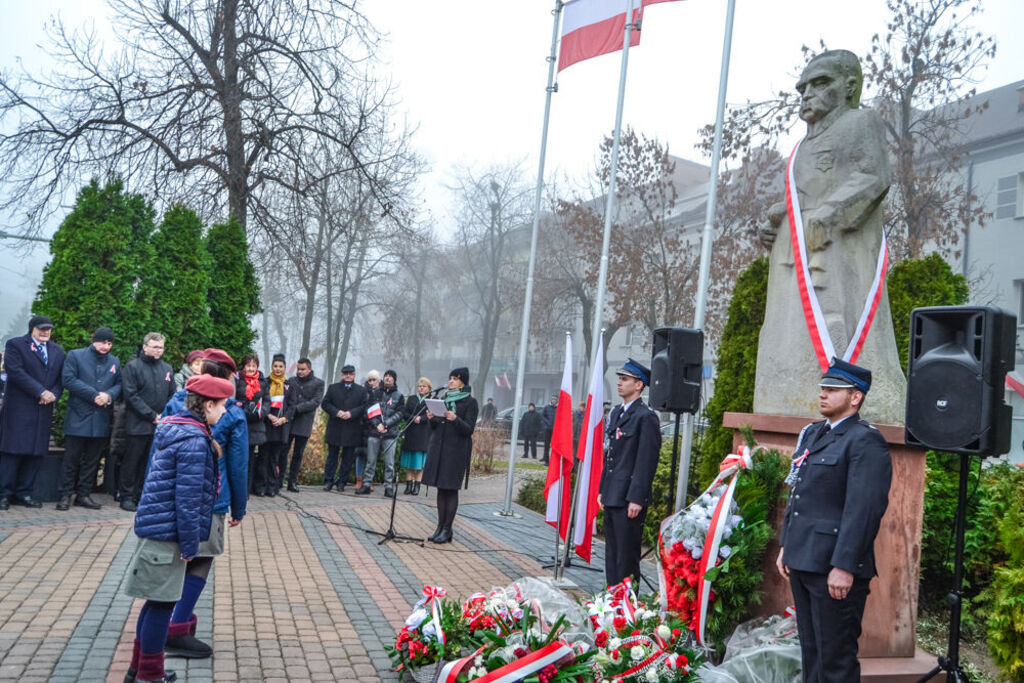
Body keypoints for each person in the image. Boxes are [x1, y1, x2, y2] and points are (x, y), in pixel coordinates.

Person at [756, 49, 905, 425]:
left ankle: (851, 397)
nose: (807, 93)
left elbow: (873, 177)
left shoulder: (860, 122)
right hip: (798, 250)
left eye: (820, 83)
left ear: (850, 86)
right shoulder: (802, 145)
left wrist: (831, 212)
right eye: (803, 87)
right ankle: (788, 392)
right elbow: (806, 193)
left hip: (836, 249)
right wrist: (778, 218)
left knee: (834, 319)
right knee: (790, 324)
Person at [775, 358, 891, 682]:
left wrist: (844, 566)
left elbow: (864, 509)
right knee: (812, 654)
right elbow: (799, 493)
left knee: (835, 662)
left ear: (856, 397)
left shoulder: (865, 440)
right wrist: (787, 544)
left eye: (833, 389)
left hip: (832, 568)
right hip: (804, 559)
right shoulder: (814, 433)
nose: (823, 393)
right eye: (823, 387)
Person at [120, 373, 234, 683]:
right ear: (208, 405)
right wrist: (189, 546)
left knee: (155, 603)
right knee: (161, 606)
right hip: (169, 535)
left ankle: (139, 670)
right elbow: (187, 499)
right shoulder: (195, 441)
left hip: (158, 530)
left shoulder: (178, 428)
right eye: (222, 405)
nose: (225, 412)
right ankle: (150, 676)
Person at [159, 349, 248, 661]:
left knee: (174, 558)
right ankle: (177, 626)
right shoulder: (232, 411)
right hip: (212, 497)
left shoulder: (179, 399)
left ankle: (163, 623)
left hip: (172, 494)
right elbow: (237, 465)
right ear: (226, 376)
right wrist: (239, 507)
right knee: (202, 557)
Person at [597, 358, 661, 587]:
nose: (619, 383)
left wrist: (636, 498)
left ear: (639, 385)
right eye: (619, 379)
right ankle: (612, 602)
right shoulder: (616, 413)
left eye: (625, 379)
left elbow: (646, 462)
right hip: (613, 494)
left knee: (626, 558)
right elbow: (610, 455)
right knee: (612, 555)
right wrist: (602, 489)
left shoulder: (646, 418)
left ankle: (628, 607)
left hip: (628, 499)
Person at [0, 315, 65, 510]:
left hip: (43, 409)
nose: (45, 332)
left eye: (48, 329)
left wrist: (53, 394)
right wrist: (40, 391)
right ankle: (4, 494)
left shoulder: (57, 350)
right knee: (12, 452)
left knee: (35, 452)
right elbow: (15, 371)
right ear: (32, 329)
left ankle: (24, 493)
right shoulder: (16, 345)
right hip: (19, 409)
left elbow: (61, 378)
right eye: (41, 328)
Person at [57, 326, 121, 511]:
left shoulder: (114, 361)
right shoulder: (76, 355)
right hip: (79, 415)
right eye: (102, 342)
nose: (106, 346)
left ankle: (83, 495)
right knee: (71, 459)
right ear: (94, 340)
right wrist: (93, 395)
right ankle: (65, 495)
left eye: (109, 343)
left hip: (100, 418)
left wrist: (108, 396)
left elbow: (119, 384)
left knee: (92, 461)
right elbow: (68, 379)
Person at [119, 332, 175, 512]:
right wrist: (151, 415)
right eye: (155, 347)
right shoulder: (133, 367)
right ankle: (126, 496)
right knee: (132, 462)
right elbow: (131, 395)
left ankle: (142, 495)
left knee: (149, 463)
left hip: (159, 426)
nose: (159, 350)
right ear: (145, 347)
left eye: (161, 347)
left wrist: (164, 415)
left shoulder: (167, 368)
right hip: (137, 424)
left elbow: (172, 394)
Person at [422, 367, 478, 544]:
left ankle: (447, 529)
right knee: (441, 489)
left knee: (450, 489)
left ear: (463, 381)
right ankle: (440, 527)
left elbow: (468, 429)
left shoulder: (470, 402)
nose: (451, 381)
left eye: (455, 378)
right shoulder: (444, 398)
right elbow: (436, 427)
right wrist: (432, 418)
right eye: (450, 378)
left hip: (456, 452)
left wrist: (455, 418)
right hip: (440, 449)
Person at [357, 369, 403, 497]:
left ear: (394, 379)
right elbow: (369, 410)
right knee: (370, 461)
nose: (388, 378)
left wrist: (386, 424)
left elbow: (400, 413)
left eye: (390, 376)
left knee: (389, 463)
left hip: (390, 433)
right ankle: (366, 485)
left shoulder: (399, 396)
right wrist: (377, 424)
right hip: (374, 432)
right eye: (386, 376)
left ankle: (388, 487)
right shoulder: (375, 393)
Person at [321, 364, 367, 491]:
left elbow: (364, 407)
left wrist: (351, 413)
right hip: (335, 427)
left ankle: (342, 482)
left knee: (347, 458)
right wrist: (337, 412)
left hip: (352, 429)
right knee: (332, 457)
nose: (348, 376)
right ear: (342, 375)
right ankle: (328, 481)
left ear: (354, 375)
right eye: (346, 373)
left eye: (350, 373)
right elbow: (325, 404)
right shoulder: (333, 388)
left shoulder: (361, 390)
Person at [283, 358, 324, 492]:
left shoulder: (318, 383)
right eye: (298, 369)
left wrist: (297, 408)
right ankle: (278, 480)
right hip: (289, 422)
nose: (300, 372)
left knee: (298, 454)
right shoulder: (291, 381)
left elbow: (315, 401)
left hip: (304, 422)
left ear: (309, 369)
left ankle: (292, 482)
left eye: (303, 369)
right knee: (283, 452)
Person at [235, 353, 269, 496]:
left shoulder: (262, 382)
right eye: (248, 365)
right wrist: (241, 410)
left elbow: (267, 401)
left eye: (253, 366)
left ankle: (247, 489)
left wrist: (260, 412)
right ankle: (238, 488)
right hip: (241, 422)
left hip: (256, 425)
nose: (251, 368)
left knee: (250, 459)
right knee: (239, 458)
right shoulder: (237, 380)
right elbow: (233, 397)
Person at [262, 354, 295, 496]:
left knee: (275, 458)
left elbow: (292, 406)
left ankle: (272, 487)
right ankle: (260, 486)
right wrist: (268, 415)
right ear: (271, 367)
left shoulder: (289, 386)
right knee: (263, 457)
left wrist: (282, 419)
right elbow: (261, 402)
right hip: (266, 424)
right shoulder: (265, 382)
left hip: (280, 426)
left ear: (285, 368)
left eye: (280, 366)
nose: (278, 369)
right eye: (275, 366)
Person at [400, 377, 432, 496]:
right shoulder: (412, 399)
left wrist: (422, 418)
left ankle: (417, 486)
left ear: (429, 388)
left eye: (424, 386)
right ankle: (408, 485)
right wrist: (413, 418)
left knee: (419, 463)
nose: (421, 388)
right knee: (409, 462)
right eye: (419, 386)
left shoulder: (431, 399)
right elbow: (405, 412)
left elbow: (431, 416)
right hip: (411, 433)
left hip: (423, 434)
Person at [356, 369, 381, 491]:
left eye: (374, 380)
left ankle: (368, 480)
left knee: (371, 456)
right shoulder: (362, 392)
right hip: (362, 427)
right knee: (360, 455)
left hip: (375, 428)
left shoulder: (382, 393)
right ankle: (359, 480)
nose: (371, 382)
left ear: (378, 381)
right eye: (369, 380)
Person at [540, 395, 557, 464]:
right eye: (553, 399)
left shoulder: (558, 408)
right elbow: (542, 416)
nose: (554, 401)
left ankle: (554, 461)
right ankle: (546, 460)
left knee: (555, 446)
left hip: (555, 430)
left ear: (557, 401)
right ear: (551, 400)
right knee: (546, 445)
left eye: (555, 400)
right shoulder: (546, 407)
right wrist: (546, 423)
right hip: (547, 429)